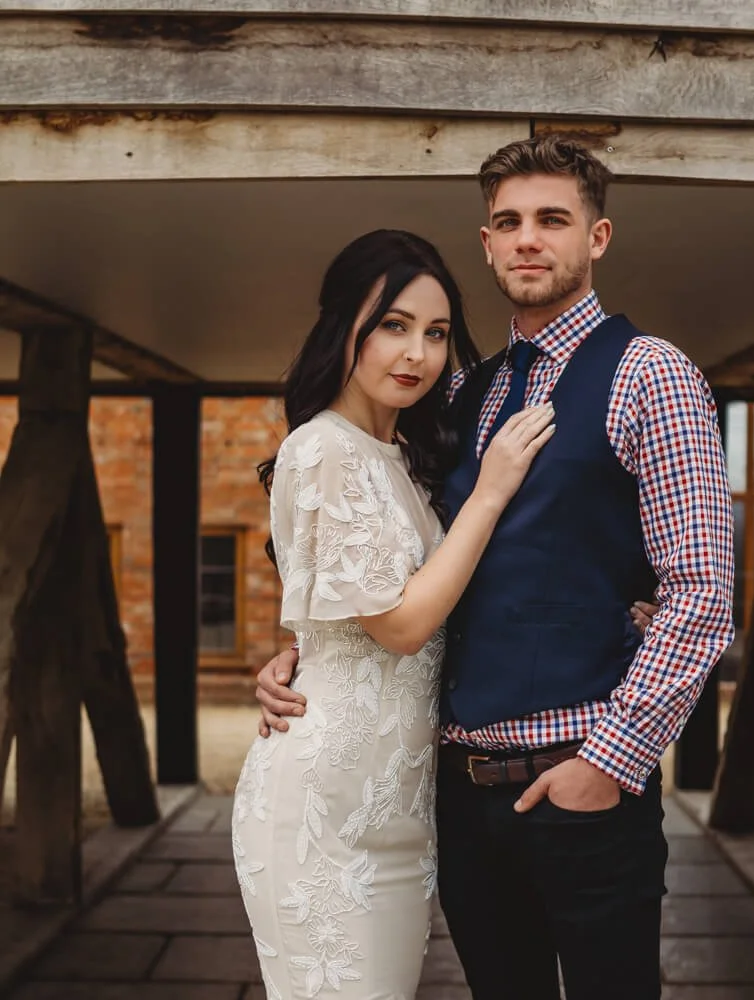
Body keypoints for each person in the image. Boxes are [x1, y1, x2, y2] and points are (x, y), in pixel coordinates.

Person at [255, 136, 735, 1000]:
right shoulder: (460, 392)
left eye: (553, 219)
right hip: (459, 797)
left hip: (583, 782)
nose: (527, 239)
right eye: (508, 222)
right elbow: (379, 552)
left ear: (598, 237)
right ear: (485, 243)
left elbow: (699, 592)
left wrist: (611, 760)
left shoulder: (650, 376)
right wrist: (307, 652)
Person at [232, 228, 561, 1000]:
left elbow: (353, 602)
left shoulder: (410, 457)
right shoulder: (322, 448)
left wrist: (296, 649)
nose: (417, 353)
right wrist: (493, 490)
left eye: (437, 333)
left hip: (404, 810)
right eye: (393, 325)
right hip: (322, 808)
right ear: (344, 325)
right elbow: (403, 624)